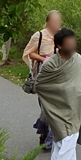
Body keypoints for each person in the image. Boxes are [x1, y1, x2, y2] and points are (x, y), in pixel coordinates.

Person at [34, 27, 81, 160]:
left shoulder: (78, 59)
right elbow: (41, 85)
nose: (73, 45)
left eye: (74, 42)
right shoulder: (50, 64)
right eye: (68, 43)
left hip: (75, 111)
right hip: (58, 112)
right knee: (66, 145)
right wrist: (63, 94)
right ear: (59, 45)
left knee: (63, 144)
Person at [23, 10, 62, 150]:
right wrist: (43, 59)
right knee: (47, 105)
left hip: (58, 76)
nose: (56, 24)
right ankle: (46, 134)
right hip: (43, 76)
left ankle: (46, 135)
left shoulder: (61, 35)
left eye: (58, 21)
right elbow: (28, 53)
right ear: (48, 21)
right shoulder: (38, 36)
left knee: (54, 106)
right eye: (54, 21)